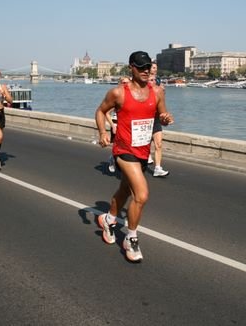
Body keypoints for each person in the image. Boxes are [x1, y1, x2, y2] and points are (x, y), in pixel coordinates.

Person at [95, 51, 174, 262]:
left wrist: (165, 118)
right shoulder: (119, 93)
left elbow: (162, 116)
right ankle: (131, 238)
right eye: (141, 67)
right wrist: (103, 132)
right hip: (123, 150)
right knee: (141, 195)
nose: (146, 71)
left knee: (124, 191)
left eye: (148, 66)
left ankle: (109, 219)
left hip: (142, 151)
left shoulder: (157, 92)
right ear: (131, 67)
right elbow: (101, 111)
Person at [148, 61, 169, 177]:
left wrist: (165, 116)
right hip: (145, 119)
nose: (154, 69)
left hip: (156, 118)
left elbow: (162, 102)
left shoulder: (159, 84)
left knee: (158, 144)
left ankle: (157, 168)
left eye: (156, 67)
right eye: (153, 67)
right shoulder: (141, 85)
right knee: (145, 144)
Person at [105, 76, 130, 173]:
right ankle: (113, 159)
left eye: (128, 82)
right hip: (116, 124)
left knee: (125, 146)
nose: (126, 85)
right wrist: (112, 125)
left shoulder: (130, 97)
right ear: (120, 84)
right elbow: (106, 113)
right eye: (124, 83)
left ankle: (119, 161)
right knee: (117, 146)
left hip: (126, 126)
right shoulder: (116, 97)